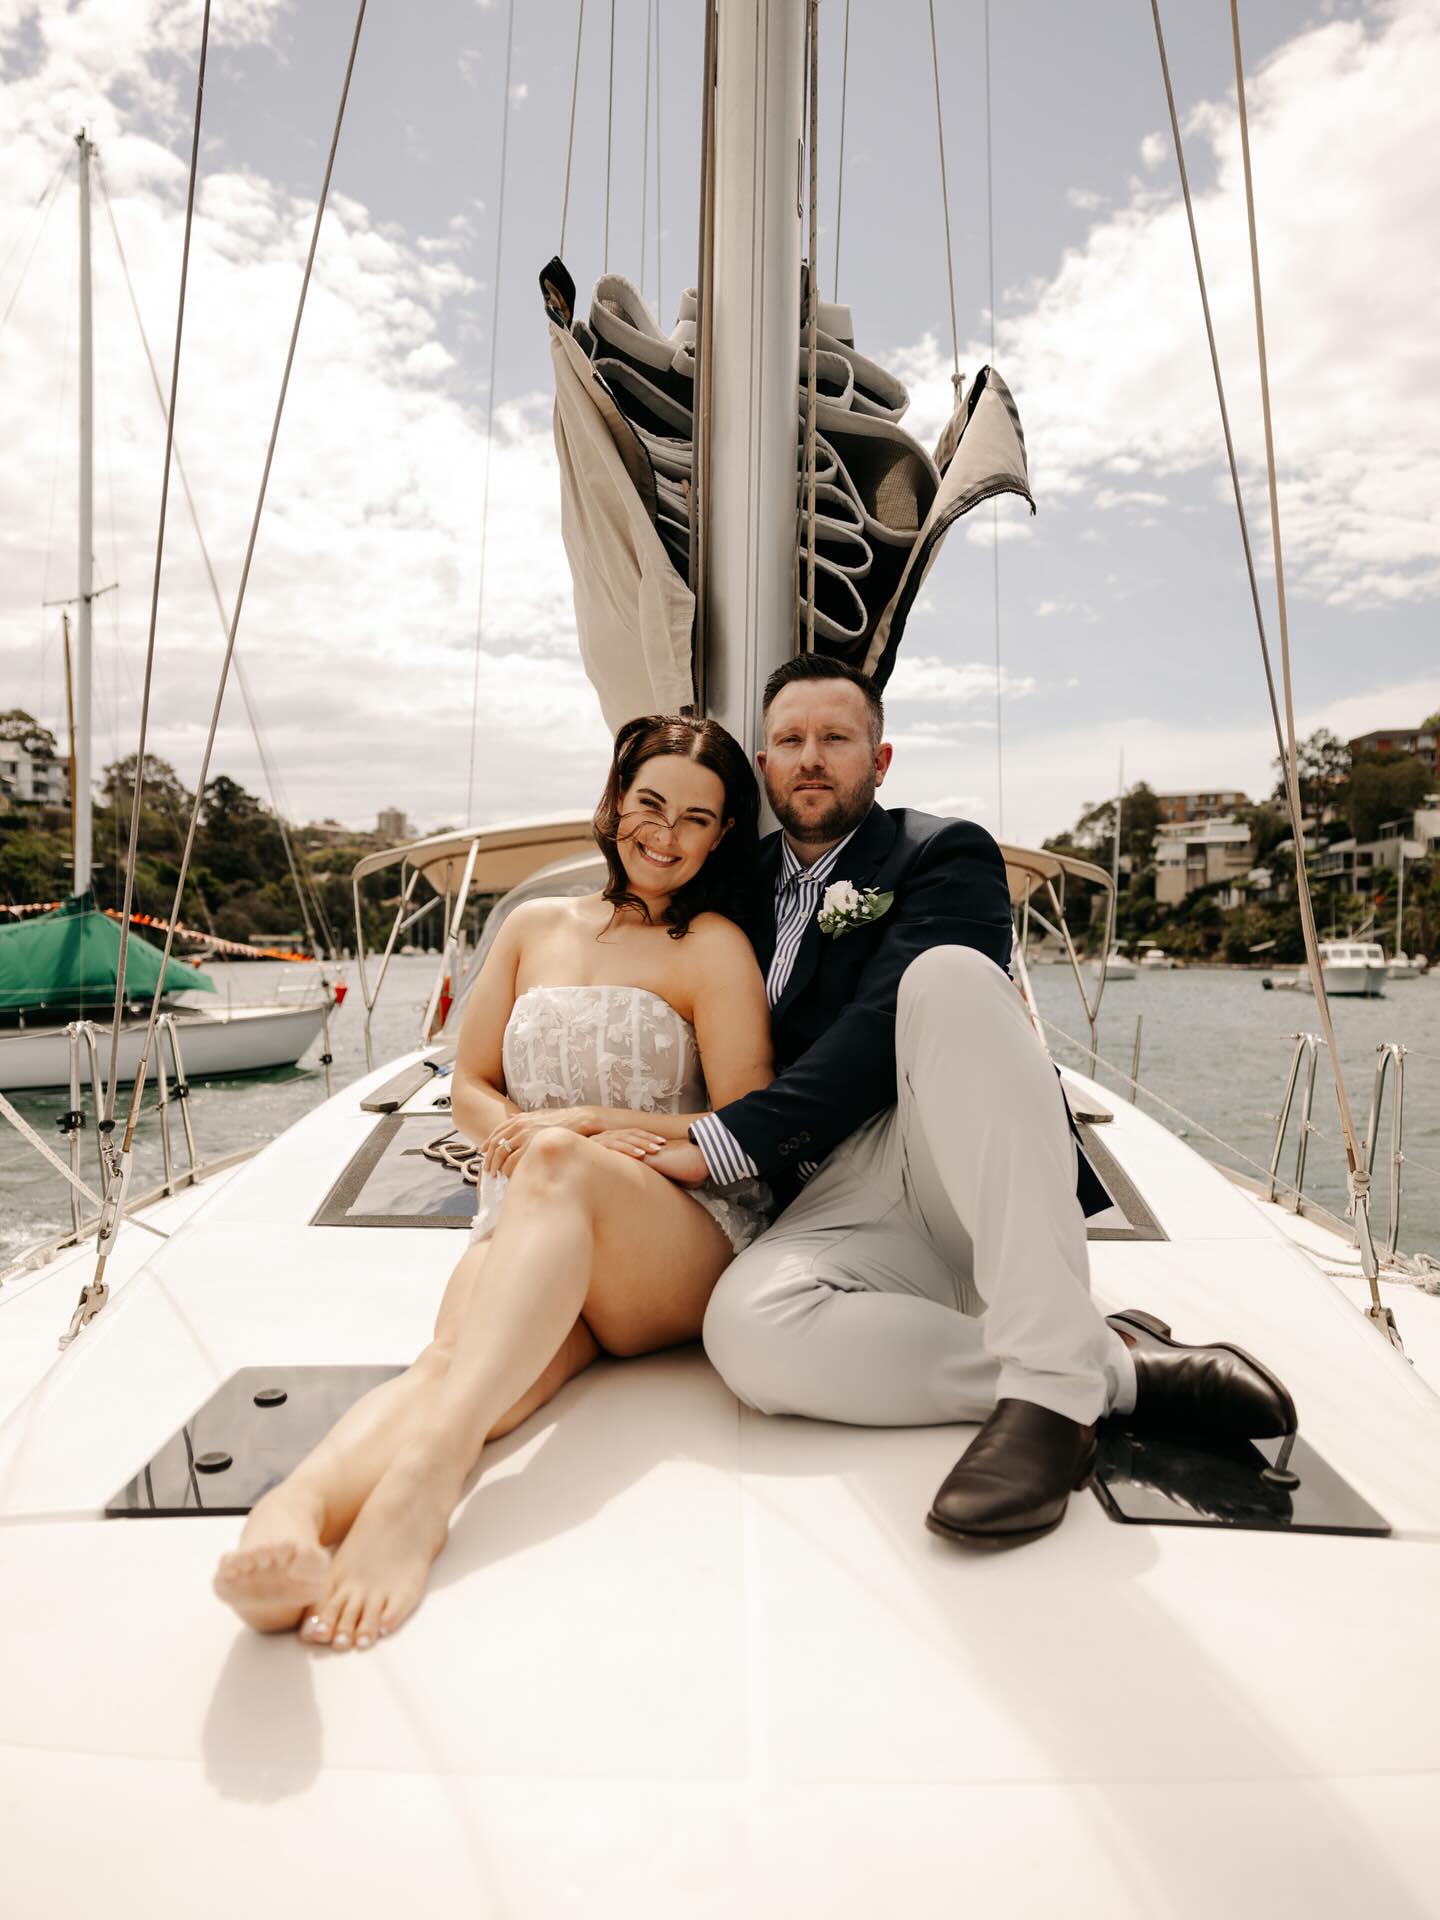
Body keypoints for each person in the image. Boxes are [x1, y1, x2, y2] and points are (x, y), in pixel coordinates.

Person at [686, 654, 1296, 1548]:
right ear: (765, 763)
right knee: (747, 1335)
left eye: (835, 738)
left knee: (948, 976)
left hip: (943, 1157)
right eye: (790, 740)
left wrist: (722, 1141)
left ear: (879, 761)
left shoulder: (943, 854)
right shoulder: (731, 883)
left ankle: (1052, 1395)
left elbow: (874, 1033)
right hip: (828, 1198)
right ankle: (1110, 1367)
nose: (810, 757)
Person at [213, 714, 774, 1647]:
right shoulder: (531, 926)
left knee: (554, 1165)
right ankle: (292, 1512)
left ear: (720, 837)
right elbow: (470, 1085)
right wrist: (527, 1136)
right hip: (533, 1216)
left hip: (671, 1238)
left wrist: (582, 1125)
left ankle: (422, 1491)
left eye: (697, 818)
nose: (666, 834)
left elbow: (748, 1120)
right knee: (455, 1365)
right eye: (650, 803)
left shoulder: (713, 945)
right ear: (615, 800)